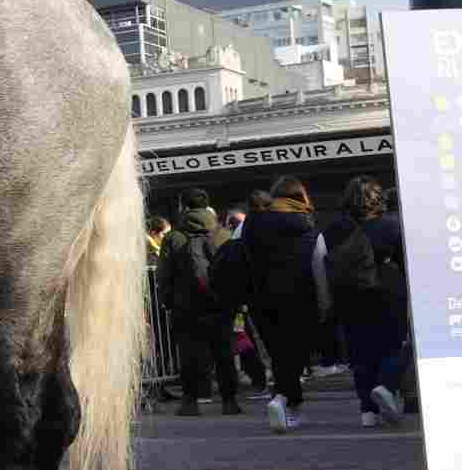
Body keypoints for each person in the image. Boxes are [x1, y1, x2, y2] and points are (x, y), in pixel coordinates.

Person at [317, 176, 409, 427]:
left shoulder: (332, 229)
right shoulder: (392, 225)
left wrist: (326, 302)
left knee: (360, 354)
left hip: (348, 296)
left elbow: (319, 263)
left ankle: (368, 412)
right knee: (396, 344)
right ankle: (387, 386)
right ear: (378, 198)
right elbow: (408, 264)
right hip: (389, 292)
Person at [242, 176, 328, 432]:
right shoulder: (307, 226)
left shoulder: (251, 223)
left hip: (259, 297)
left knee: (279, 353)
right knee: (294, 354)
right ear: (301, 197)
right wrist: (324, 303)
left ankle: (289, 404)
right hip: (299, 296)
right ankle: (282, 399)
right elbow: (319, 264)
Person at [156, 189, 239, 416]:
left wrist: (166, 300)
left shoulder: (174, 237)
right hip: (220, 303)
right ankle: (230, 401)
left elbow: (164, 274)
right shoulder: (222, 234)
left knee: (190, 355)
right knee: (223, 352)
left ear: (183, 207)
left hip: (186, 305)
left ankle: (190, 402)